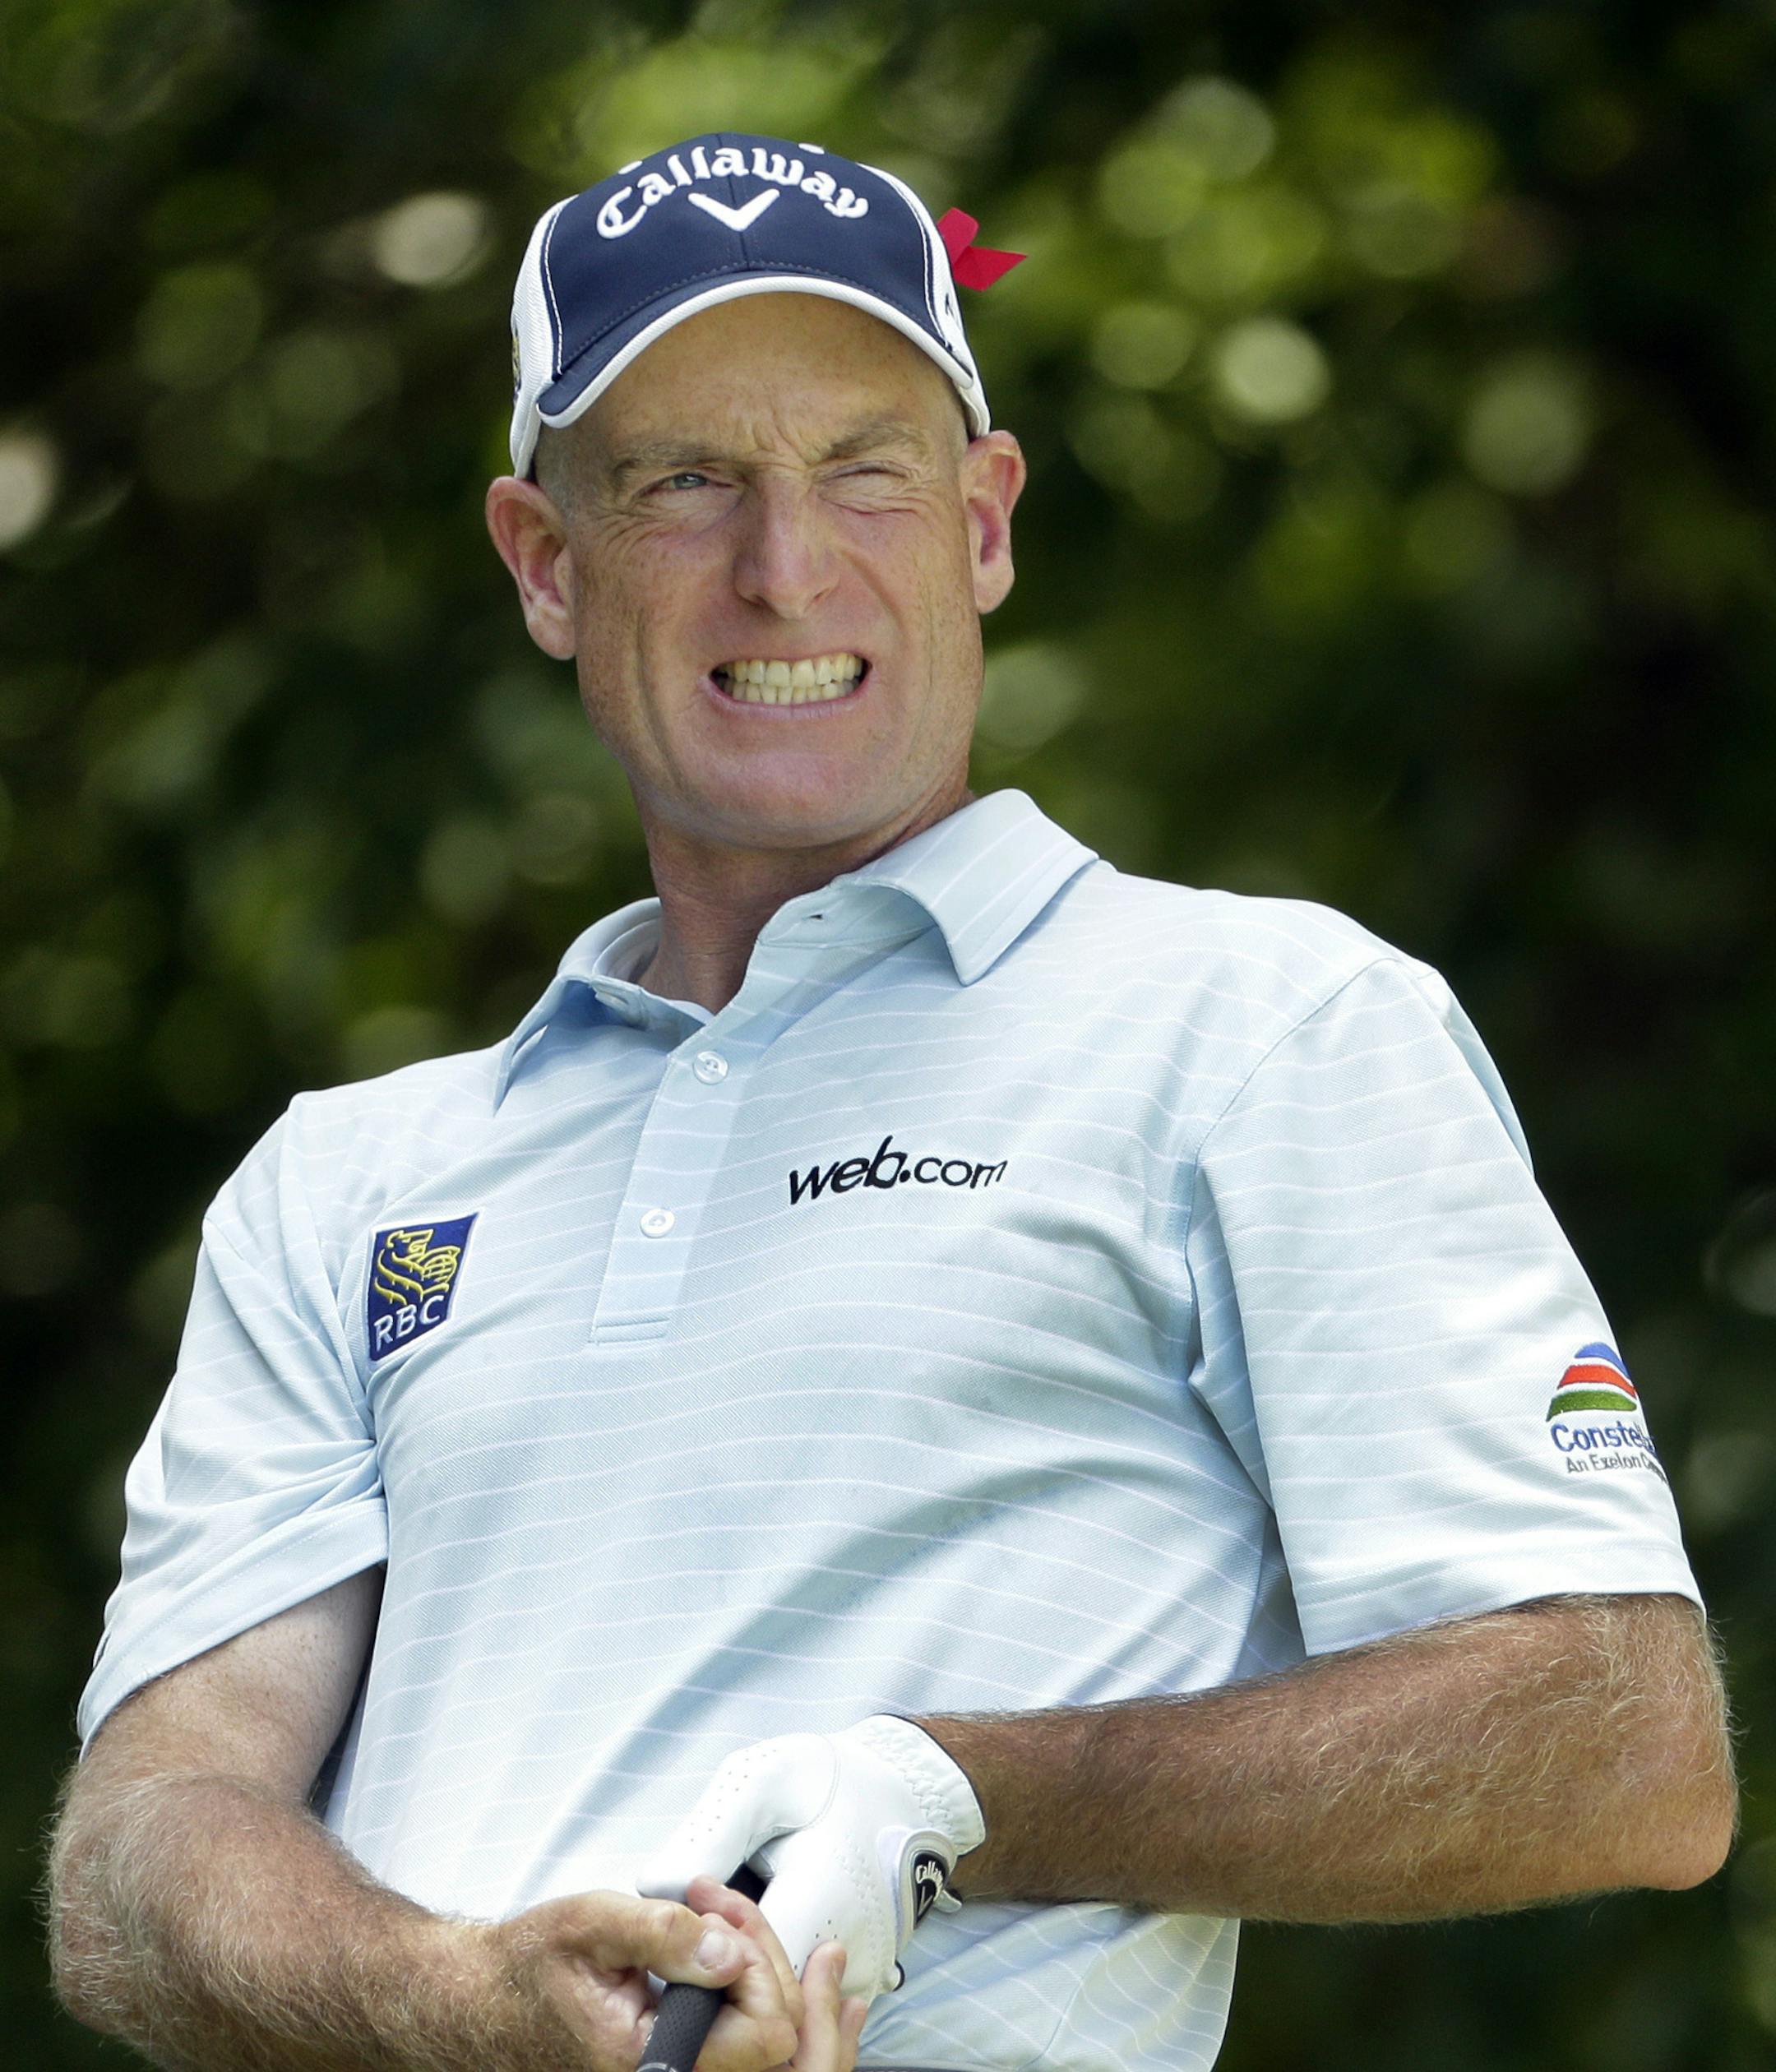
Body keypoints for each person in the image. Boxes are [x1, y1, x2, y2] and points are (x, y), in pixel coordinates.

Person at [49, 132, 1734, 2072]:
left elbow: (1618, 1745)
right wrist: (450, 2007)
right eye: (685, 484)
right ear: (542, 562)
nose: (787, 566)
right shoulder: (346, 1181)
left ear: (987, 521)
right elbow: (144, 1849)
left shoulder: (1270, 1029)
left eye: (865, 466)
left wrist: (944, 1800)